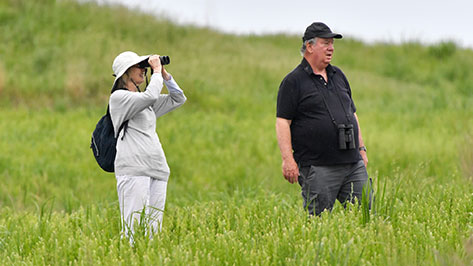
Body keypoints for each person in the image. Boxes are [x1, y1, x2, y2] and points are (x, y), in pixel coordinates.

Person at [276, 22, 370, 216]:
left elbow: (352, 114)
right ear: (309, 46)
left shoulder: (338, 75)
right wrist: (288, 160)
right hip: (318, 167)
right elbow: (283, 122)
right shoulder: (293, 81)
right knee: (318, 222)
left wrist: (361, 149)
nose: (331, 48)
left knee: (367, 216)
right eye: (325, 43)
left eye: (332, 43)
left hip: (352, 164)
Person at [109, 51, 186, 242]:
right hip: (134, 169)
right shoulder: (119, 98)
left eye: (145, 66)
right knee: (132, 231)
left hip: (157, 169)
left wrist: (165, 76)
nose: (144, 69)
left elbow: (178, 99)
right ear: (125, 73)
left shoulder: (145, 101)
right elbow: (151, 96)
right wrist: (156, 72)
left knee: (153, 233)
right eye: (139, 66)